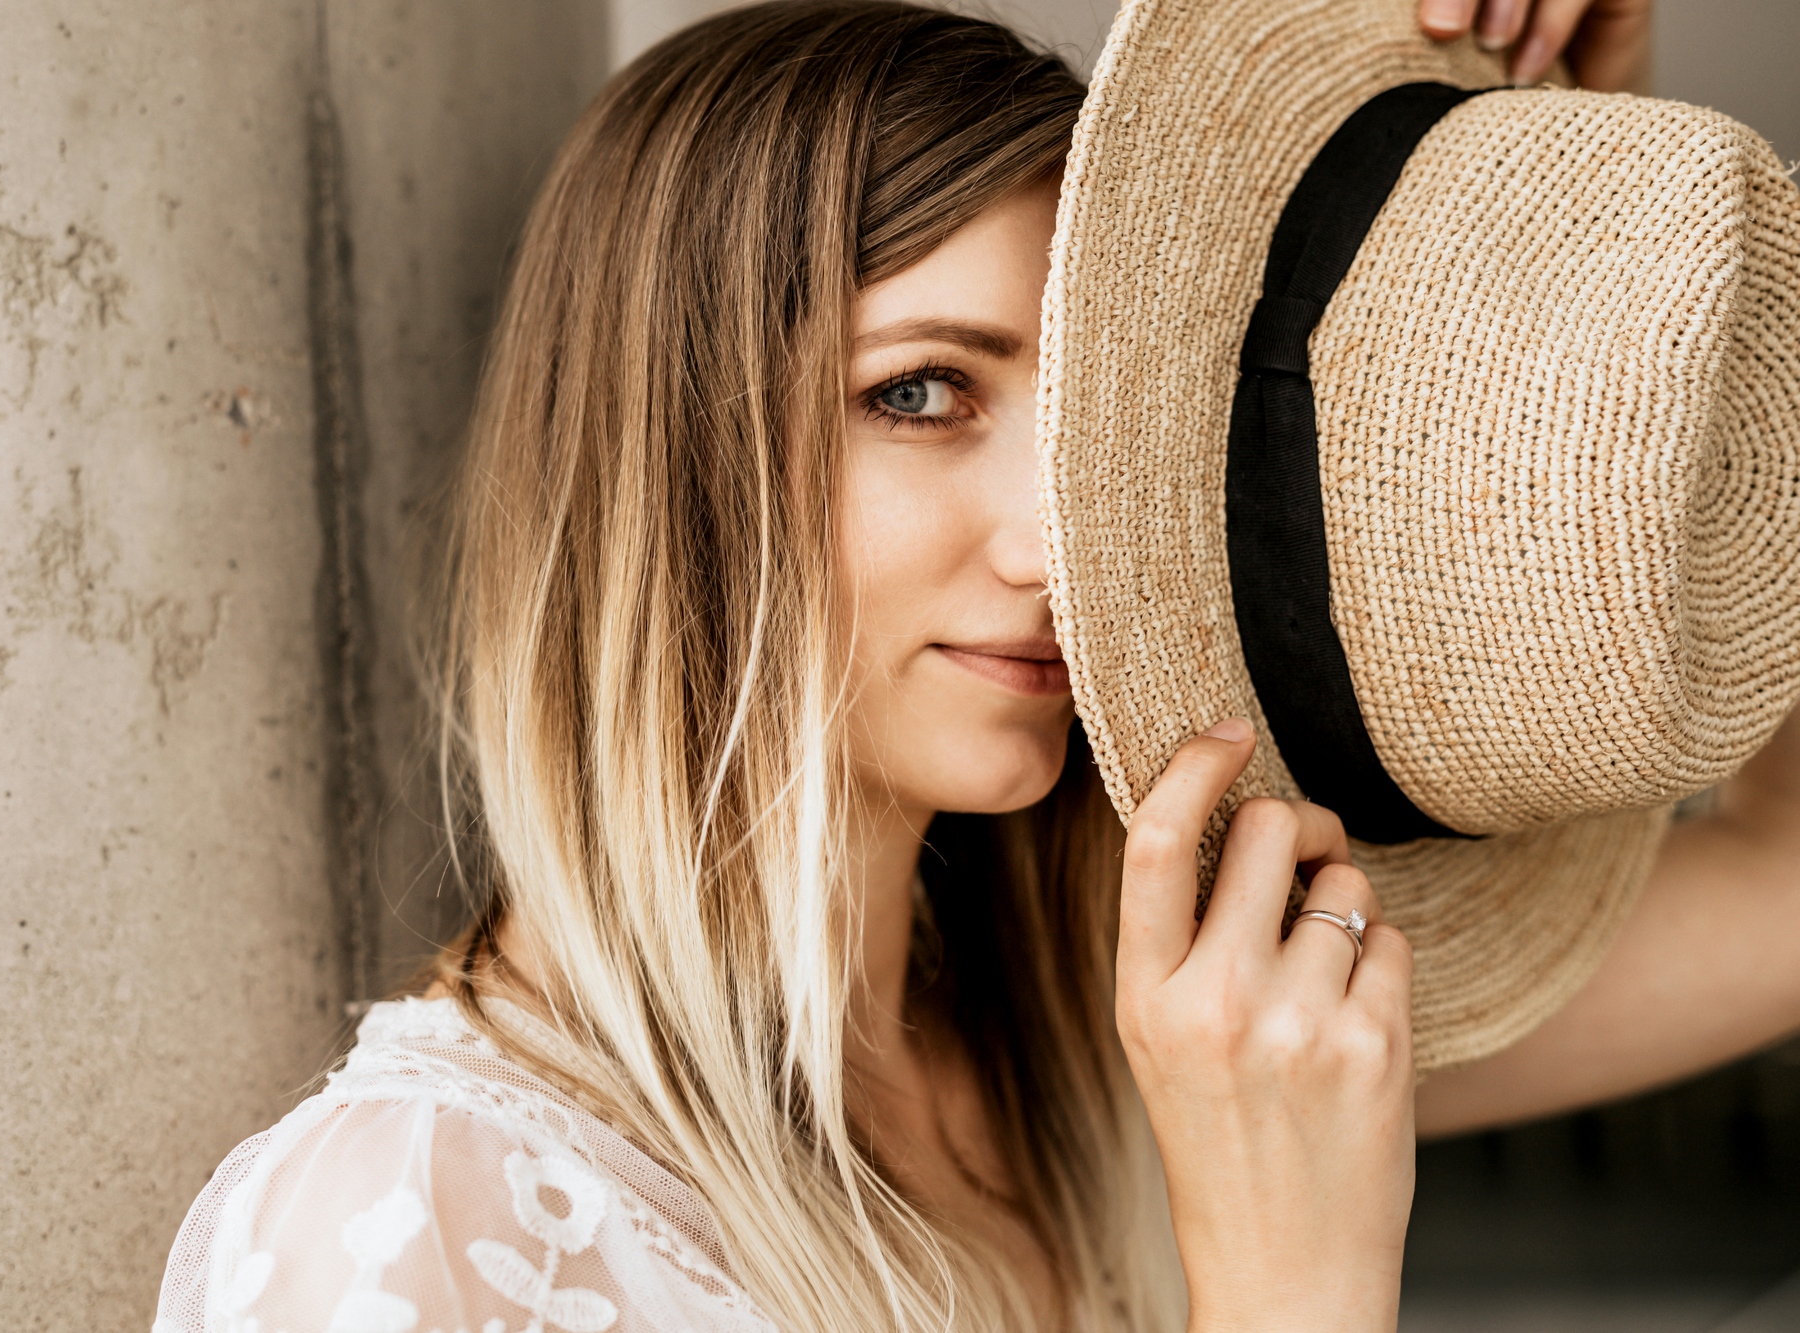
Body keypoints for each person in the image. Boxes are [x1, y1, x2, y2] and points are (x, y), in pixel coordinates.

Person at [154, 2, 1800, 1331]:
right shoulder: (412, 1231)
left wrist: (1579, 250)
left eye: (1081, 421)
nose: (1053, 537)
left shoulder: (1146, 1028)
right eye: (924, 391)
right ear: (665, 450)